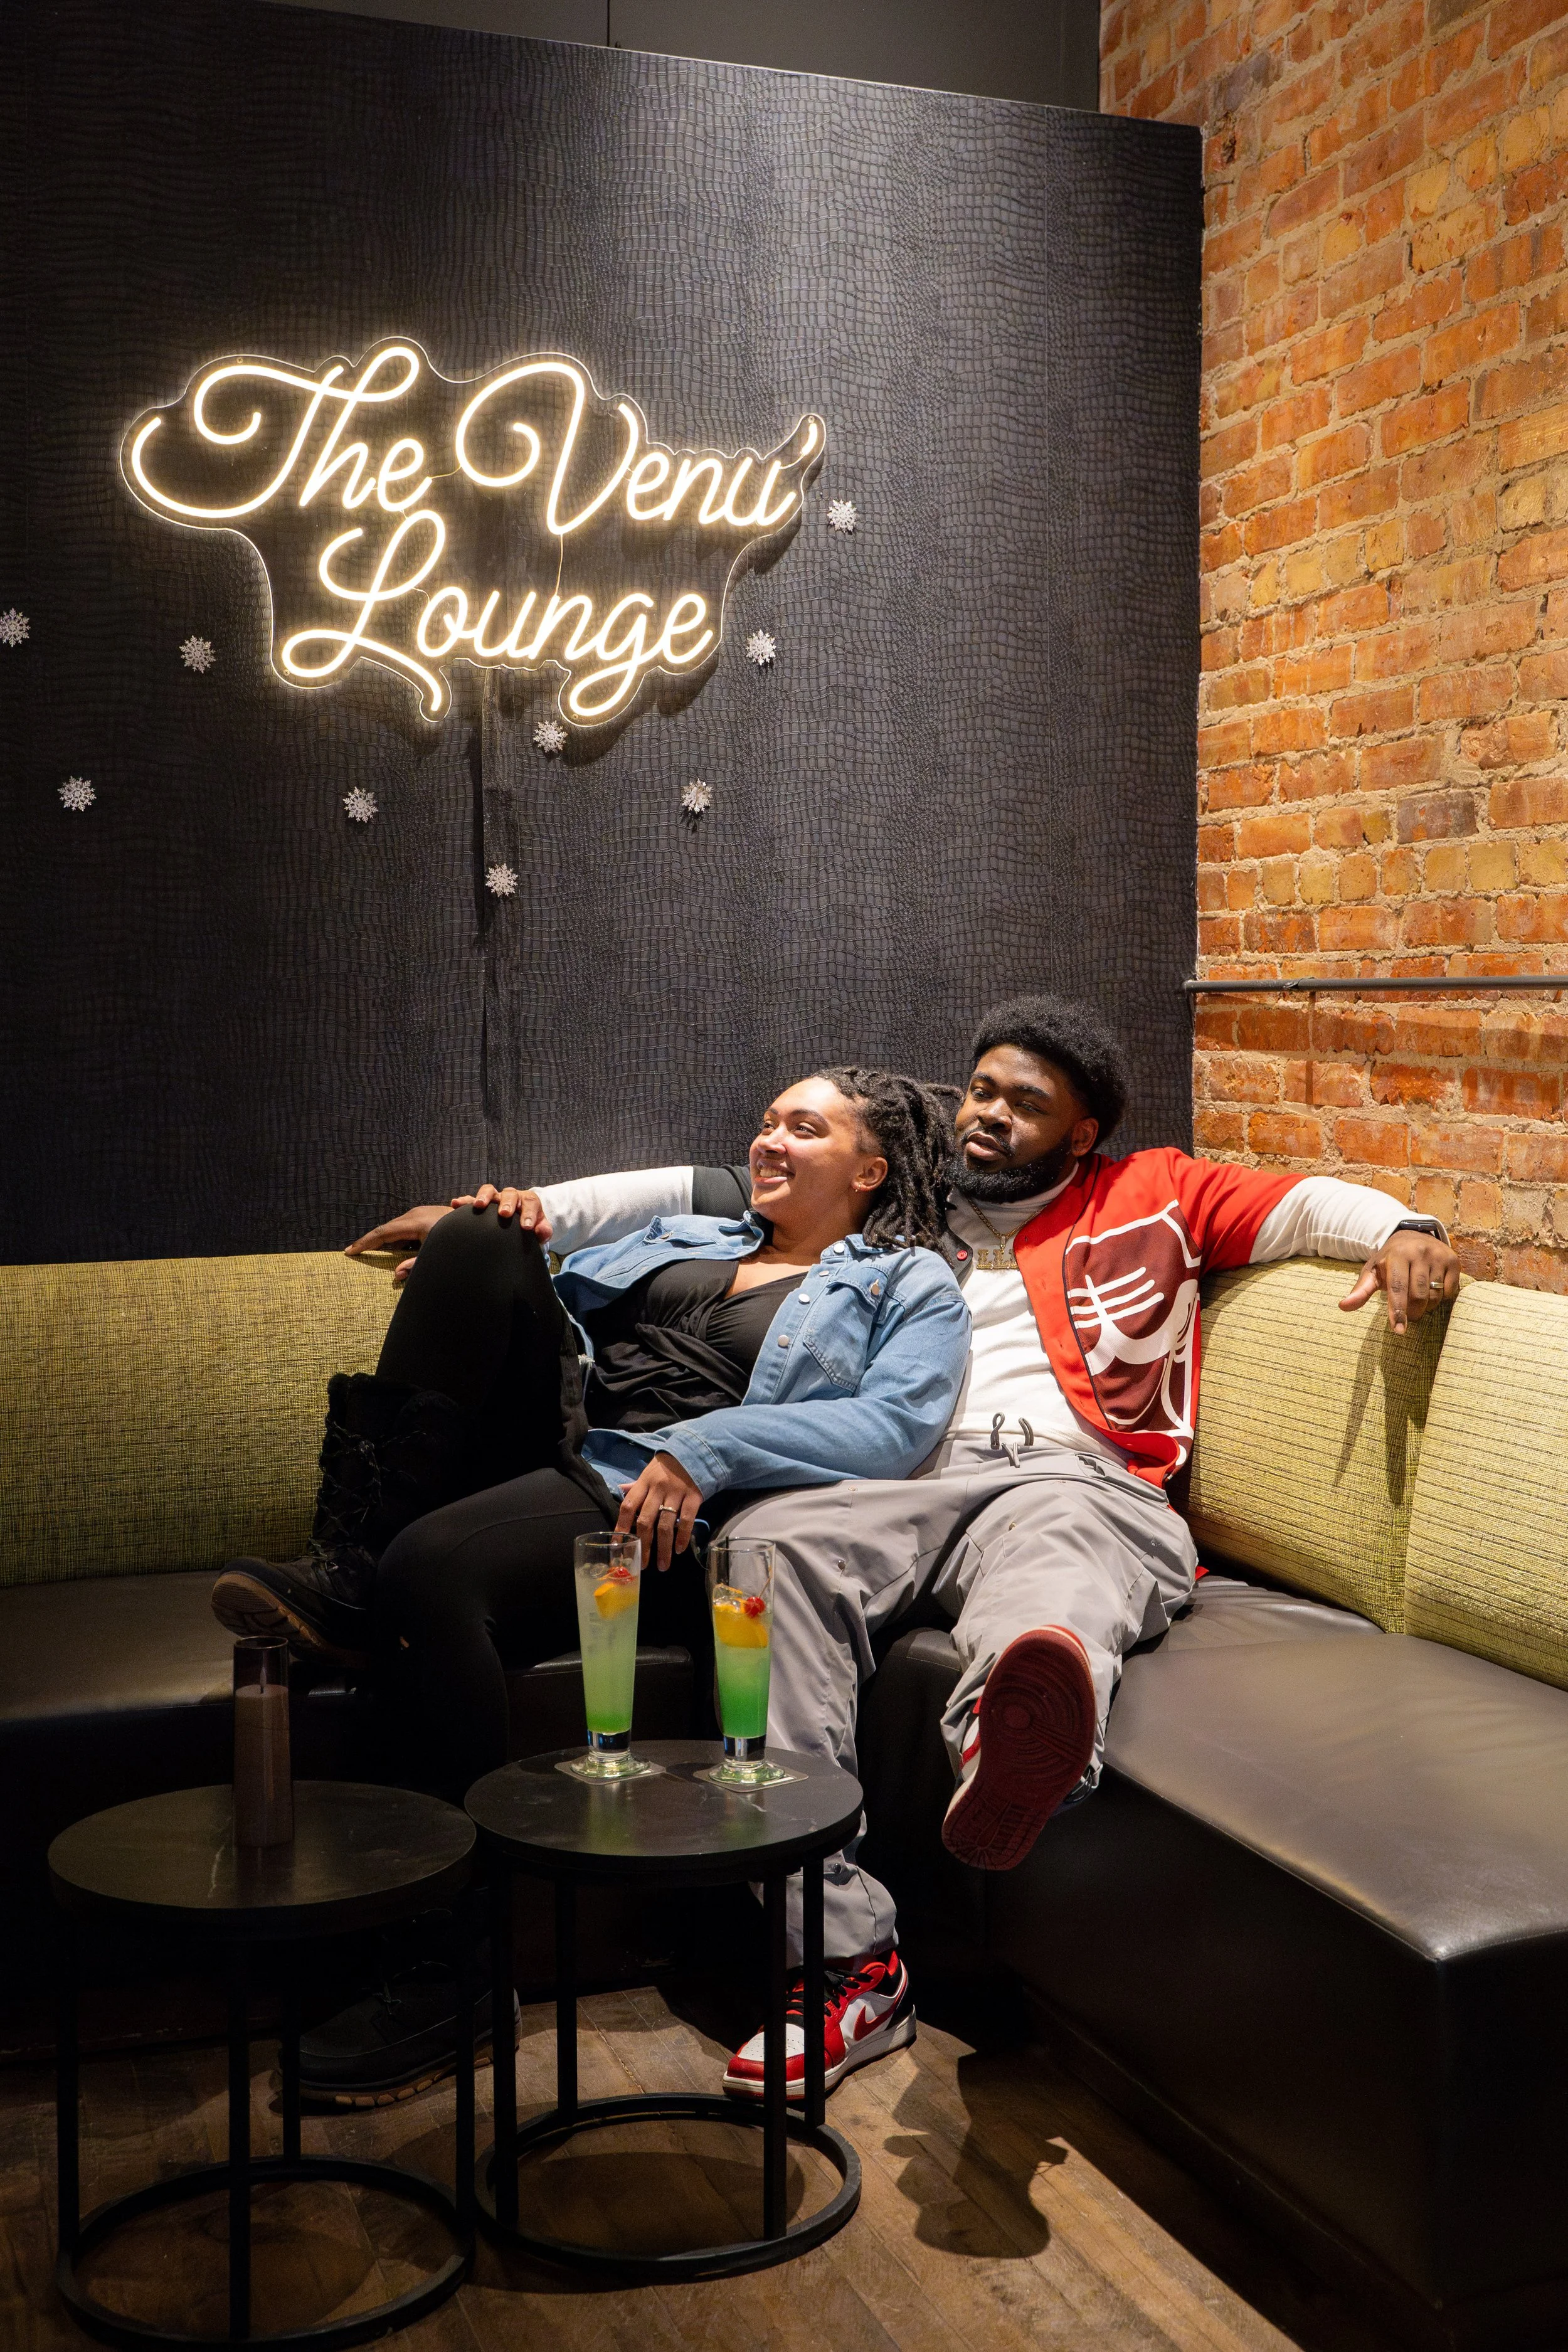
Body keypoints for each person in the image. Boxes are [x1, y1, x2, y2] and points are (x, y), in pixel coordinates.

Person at [409, 994, 1461, 2107]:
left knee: (1055, 1558)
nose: (990, 1116)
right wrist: (528, 1212)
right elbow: (700, 1187)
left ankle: (1009, 1732)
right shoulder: (907, 1202)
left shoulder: (1159, 1191)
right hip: (900, 1488)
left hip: (1081, 1477)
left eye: (1027, 1104)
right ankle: (852, 1960)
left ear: (1082, 1132)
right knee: (766, 1551)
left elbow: (1301, 1206)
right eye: (983, 1090)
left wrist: (1406, 1230)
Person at [210, 1066, 968, 2104]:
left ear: (871, 1169)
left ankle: (455, 1973)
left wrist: (709, 1445)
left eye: (804, 1125)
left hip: (662, 1510)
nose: (767, 1140)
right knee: (479, 1235)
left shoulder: (907, 1283)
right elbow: (549, 1294)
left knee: (430, 1578)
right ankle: (349, 1563)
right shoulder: (698, 1233)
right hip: (568, 1438)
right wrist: (499, 1242)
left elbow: (892, 1430)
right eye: (764, 1121)